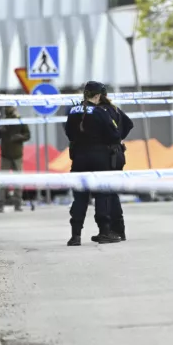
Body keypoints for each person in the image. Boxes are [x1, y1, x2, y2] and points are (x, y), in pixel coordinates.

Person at [65, 81, 122, 246]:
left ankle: (75, 236)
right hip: (100, 159)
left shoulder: (73, 111)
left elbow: (69, 134)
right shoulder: (100, 112)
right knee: (102, 195)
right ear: (98, 95)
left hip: (79, 159)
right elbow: (114, 135)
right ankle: (104, 231)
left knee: (79, 197)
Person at [95, 84, 134, 243]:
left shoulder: (99, 111)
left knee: (107, 193)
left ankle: (113, 230)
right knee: (111, 192)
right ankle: (118, 230)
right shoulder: (114, 109)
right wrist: (119, 139)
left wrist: (113, 139)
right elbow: (129, 124)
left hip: (108, 155)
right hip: (117, 153)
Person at [0, 107, 30, 212]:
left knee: (17, 182)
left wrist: (19, 137)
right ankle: (1, 204)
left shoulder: (20, 120)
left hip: (16, 155)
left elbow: (27, 135)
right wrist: (0, 128)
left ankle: (17, 204)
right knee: (3, 182)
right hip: (6, 155)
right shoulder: (3, 121)